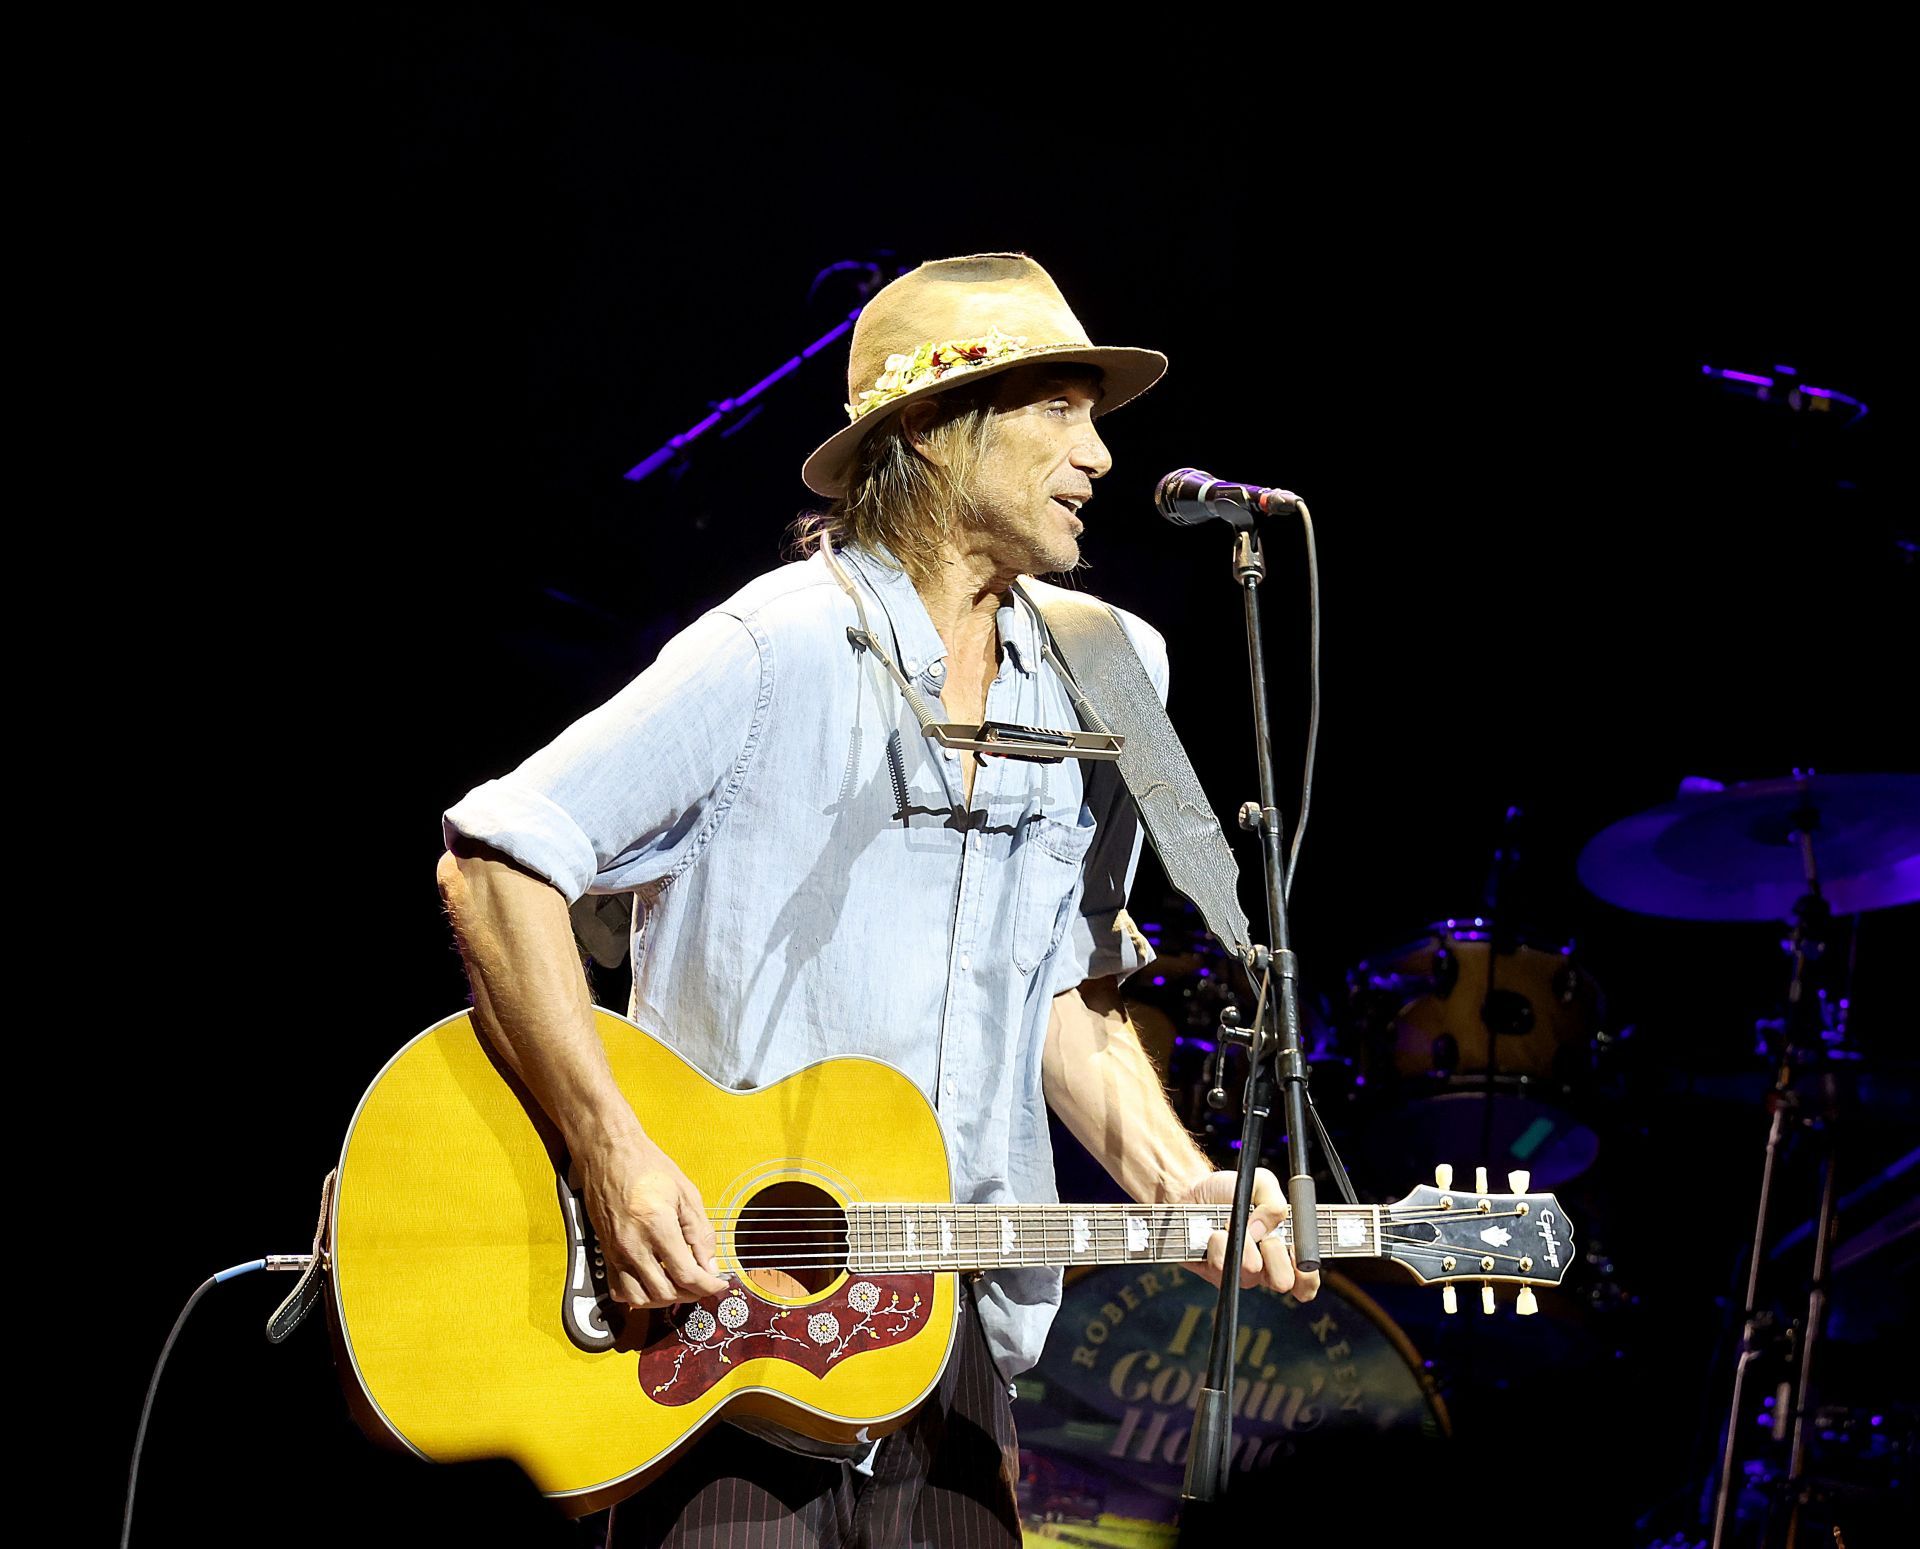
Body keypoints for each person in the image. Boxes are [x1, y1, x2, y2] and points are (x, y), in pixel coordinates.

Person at [436, 252, 1319, 1547]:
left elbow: (1062, 988)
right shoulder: (776, 646)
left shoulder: (1111, 670)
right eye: (1058, 411)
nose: (1099, 456)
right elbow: (496, 857)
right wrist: (612, 1150)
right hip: (717, 1330)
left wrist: (1181, 1180)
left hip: (946, 1343)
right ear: (935, 430)